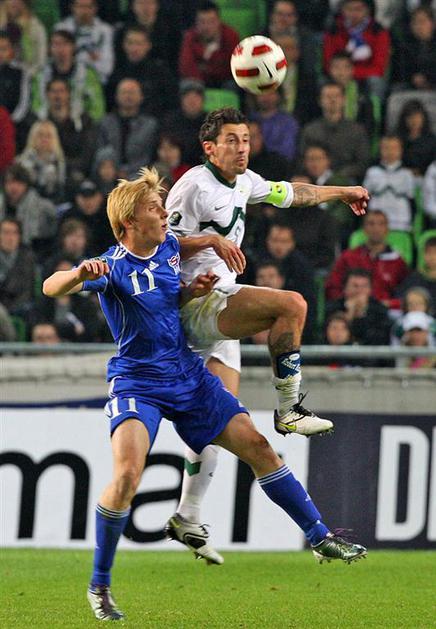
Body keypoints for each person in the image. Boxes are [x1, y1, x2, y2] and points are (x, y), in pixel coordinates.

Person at [43, 168, 367, 620]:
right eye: (154, 210)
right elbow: (50, 286)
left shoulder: (168, 248)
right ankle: (99, 585)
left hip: (186, 376)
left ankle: (319, 536)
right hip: (138, 383)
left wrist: (192, 288)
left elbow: (171, 285)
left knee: (258, 446)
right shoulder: (111, 267)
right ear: (129, 223)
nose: (164, 216)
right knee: (128, 476)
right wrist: (78, 272)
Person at [165, 107, 369, 561]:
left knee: (219, 427)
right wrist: (209, 241)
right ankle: (289, 408)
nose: (242, 148)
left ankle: (187, 515)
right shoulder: (192, 186)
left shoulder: (246, 181)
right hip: (195, 303)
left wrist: (342, 192)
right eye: (231, 140)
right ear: (209, 148)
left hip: (219, 320)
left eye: (245, 140)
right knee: (291, 304)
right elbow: (159, 244)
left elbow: (294, 193)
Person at [326, 209, 409, 309]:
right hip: (350, 309)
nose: (376, 228)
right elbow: (333, 288)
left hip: (384, 310)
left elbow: (405, 295)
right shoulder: (348, 257)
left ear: (387, 229)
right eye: (371, 224)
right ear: (364, 229)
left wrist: (389, 304)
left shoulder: (397, 261)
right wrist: (345, 302)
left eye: (381, 224)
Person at [299, 82, 371, 181]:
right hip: (315, 180)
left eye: (336, 96)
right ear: (320, 101)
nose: (332, 100)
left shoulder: (356, 130)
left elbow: (362, 162)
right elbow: (302, 159)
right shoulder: (310, 130)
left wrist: (338, 176)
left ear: (344, 100)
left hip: (347, 181)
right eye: (328, 96)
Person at [31, 29, 105, 123]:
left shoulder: (88, 74)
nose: (60, 49)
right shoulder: (40, 75)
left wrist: (86, 123)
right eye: (56, 44)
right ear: (50, 48)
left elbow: (98, 107)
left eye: (65, 44)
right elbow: (36, 105)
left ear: (73, 47)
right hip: (47, 123)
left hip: (81, 124)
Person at [105, 24, 177, 118]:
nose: (134, 48)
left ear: (148, 46)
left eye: (139, 43)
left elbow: (170, 103)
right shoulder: (117, 73)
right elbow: (110, 103)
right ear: (124, 45)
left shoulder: (161, 72)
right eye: (130, 43)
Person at [323, 0, 391, 99]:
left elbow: (378, 68)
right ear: (342, 10)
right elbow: (328, 63)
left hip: (365, 77)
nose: (354, 14)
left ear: (367, 10)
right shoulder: (334, 30)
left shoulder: (378, 31)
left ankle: (374, 108)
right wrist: (341, 72)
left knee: (376, 82)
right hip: (337, 74)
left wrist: (349, 72)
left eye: (358, 9)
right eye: (349, 9)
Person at [95, 78, 159, 179]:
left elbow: (150, 156)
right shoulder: (105, 123)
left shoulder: (150, 125)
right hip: (109, 175)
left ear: (141, 96)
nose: (128, 96)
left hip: (141, 176)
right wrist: (114, 170)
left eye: (132, 92)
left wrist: (130, 172)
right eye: (124, 92)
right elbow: (101, 150)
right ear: (116, 96)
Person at [179, 1, 239, 88]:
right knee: (188, 85)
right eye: (202, 22)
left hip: (225, 80)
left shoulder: (231, 36)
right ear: (196, 23)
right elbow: (186, 68)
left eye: (211, 21)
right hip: (198, 81)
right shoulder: (189, 37)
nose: (207, 27)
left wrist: (205, 68)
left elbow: (233, 67)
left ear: (219, 21)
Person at [325, 268, 391, 345]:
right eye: (355, 286)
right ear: (345, 288)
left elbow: (380, 339)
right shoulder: (333, 308)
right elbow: (325, 337)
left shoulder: (379, 310)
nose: (360, 291)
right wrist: (349, 314)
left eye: (364, 286)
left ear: (370, 290)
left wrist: (361, 314)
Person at [363, 135, 415, 232]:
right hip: (376, 220)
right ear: (380, 150)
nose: (390, 152)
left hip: (400, 220)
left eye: (394, 148)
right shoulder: (372, 172)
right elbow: (365, 197)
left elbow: (411, 199)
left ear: (401, 150)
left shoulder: (407, 174)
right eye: (386, 148)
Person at [55, 0, 114, 83]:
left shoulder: (105, 31)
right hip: (67, 81)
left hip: (98, 82)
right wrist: (91, 58)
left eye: (88, 7)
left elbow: (107, 68)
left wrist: (76, 57)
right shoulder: (61, 28)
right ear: (72, 7)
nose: (84, 11)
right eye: (80, 6)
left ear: (95, 8)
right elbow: (60, 63)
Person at [16, 119, 66, 202]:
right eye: (40, 135)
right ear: (32, 137)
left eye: (48, 136)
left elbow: (61, 188)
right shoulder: (21, 163)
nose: (44, 139)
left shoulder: (60, 163)